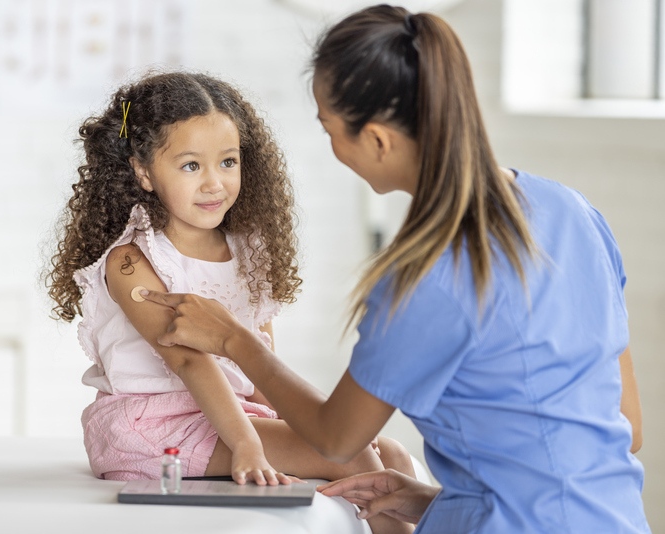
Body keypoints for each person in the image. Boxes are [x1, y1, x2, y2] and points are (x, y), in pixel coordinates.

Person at [138, 6, 650, 533]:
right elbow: (622, 428)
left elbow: (337, 438)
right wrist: (443, 502)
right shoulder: (573, 212)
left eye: (330, 129)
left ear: (379, 140)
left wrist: (234, 340)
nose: (332, 147)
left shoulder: (422, 276)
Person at [47, 71, 416, 534]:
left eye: (227, 161)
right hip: (155, 425)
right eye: (190, 166)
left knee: (394, 455)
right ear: (143, 171)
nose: (214, 183)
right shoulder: (131, 261)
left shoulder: (249, 251)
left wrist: (293, 427)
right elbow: (189, 363)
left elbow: (261, 368)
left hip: (230, 416)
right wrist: (247, 444)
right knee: (358, 457)